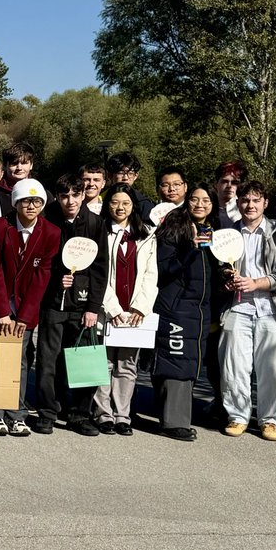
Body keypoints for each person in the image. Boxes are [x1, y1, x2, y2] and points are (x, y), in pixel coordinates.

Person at [219, 181, 276, 441]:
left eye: (256, 200)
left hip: (272, 310)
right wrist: (227, 278)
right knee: (234, 366)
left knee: (272, 368)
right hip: (238, 308)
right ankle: (238, 416)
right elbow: (220, 266)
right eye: (245, 200)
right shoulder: (228, 234)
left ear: (265, 203)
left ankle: (269, 420)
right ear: (238, 203)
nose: (250, 205)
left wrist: (256, 283)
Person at [0, 177, 60, 436]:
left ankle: (16, 413)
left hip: (25, 308)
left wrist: (23, 316)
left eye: (37, 201)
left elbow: (42, 276)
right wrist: (3, 311)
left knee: (19, 360)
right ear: (15, 203)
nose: (31, 206)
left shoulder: (51, 232)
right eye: (25, 200)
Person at [33, 175, 108, 436]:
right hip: (52, 304)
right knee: (48, 360)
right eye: (64, 196)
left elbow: (101, 268)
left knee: (83, 359)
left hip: (83, 303)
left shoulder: (95, 223)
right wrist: (56, 277)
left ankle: (79, 414)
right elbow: (40, 258)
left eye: (75, 195)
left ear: (83, 194)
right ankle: (47, 412)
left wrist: (93, 307)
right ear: (57, 196)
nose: (70, 201)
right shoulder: (47, 219)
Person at [152, 183, 228, 441]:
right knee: (176, 360)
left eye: (206, 200)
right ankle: (173, 422)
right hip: (176, 306)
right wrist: (190, 249)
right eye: (194, 199)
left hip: (203, 308)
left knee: (190, 360)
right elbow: (162, 269)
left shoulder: (216, 229)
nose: (200, 204)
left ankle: (175, 415)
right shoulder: (174, 226)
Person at [93, 183, 158, 435]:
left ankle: (123, 415)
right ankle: (103, 414)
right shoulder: (99, 232)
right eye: (114, 202)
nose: (119, 208)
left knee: (127, 365)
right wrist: (113, 308)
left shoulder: (146, 235)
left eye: (125, 203)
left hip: (134, 315)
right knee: (104, 364)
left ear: (133, 207)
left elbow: (151, 275)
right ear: (107, 204)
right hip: (108, 311)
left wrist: (140, 307)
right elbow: (97, 273)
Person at [105, 151, 154, 222]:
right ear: (110, 175)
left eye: (130, 173)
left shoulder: (143, 203)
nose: (125, 177)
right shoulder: (100, 200)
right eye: (121, 173)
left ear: (136, 176)